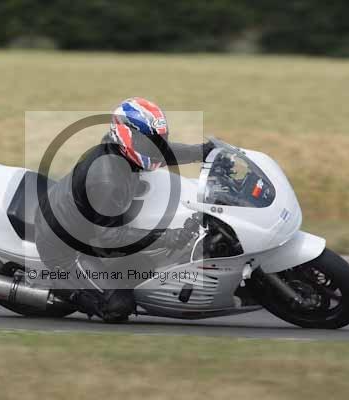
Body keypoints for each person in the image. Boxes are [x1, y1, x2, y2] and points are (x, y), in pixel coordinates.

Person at [33, 97, 214, 322]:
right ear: (126, 135)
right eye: (149, 142)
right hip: (65, 246)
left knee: (147, 264)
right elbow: (110, 237)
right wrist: (168, 237)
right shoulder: (108, 180)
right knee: (118, 306)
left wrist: (203, 151)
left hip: (88, 223)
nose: (156, 148)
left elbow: (162, 153)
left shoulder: (121, 149)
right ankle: (58, 285)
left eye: (158, 141)